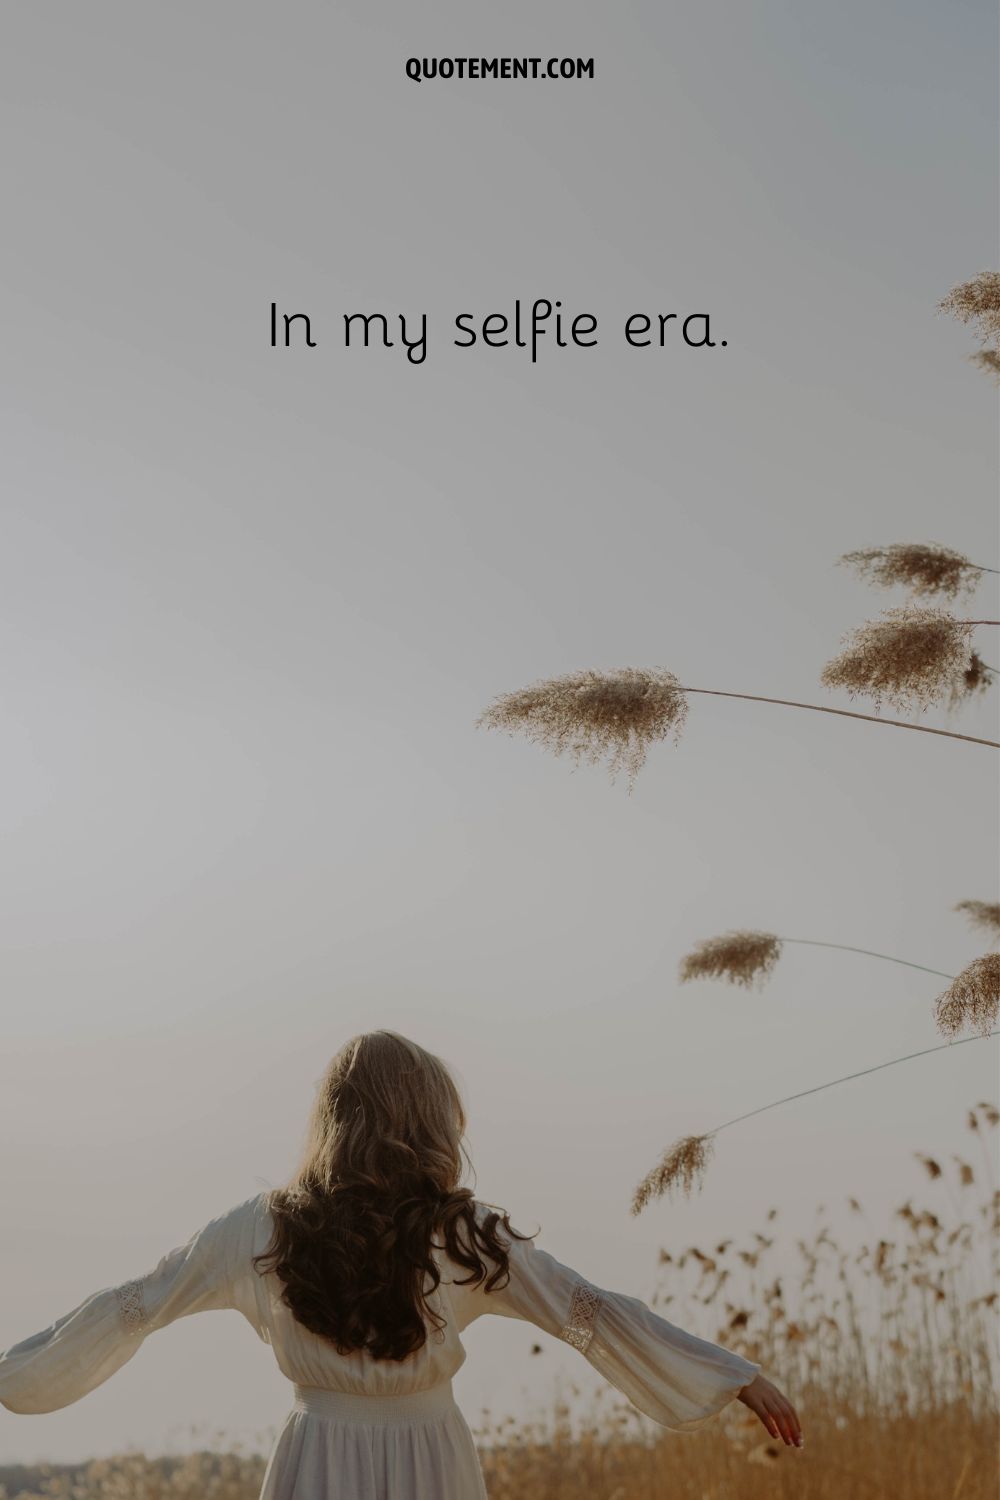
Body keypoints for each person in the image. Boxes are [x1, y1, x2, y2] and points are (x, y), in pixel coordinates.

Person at [0, 1031, 802, 1497]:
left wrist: (18, 1374)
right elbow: (587, 1311)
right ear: (430, 1119)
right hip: (429, 1459)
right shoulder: (464, 1234)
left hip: (321, 1458)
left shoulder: (265, 1227)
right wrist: (731, 1374)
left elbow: (137, 1303)